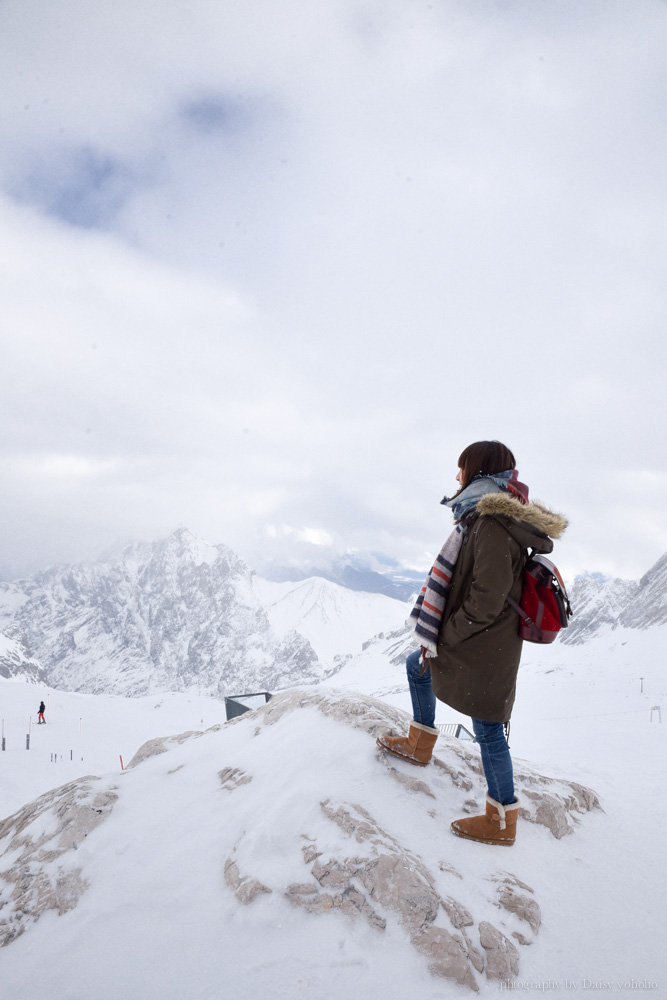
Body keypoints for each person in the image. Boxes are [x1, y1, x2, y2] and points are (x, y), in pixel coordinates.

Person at [377, 441, 567, 846]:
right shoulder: (484, 517)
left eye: (461, 469)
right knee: (418, 665)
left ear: (478, 473)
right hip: (483, 641)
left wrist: (446, 635)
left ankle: (501, 821)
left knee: (488, 728)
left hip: (484, 645)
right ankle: (420, 743)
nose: (456, 477)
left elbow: (486, 599)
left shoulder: (493, 524)